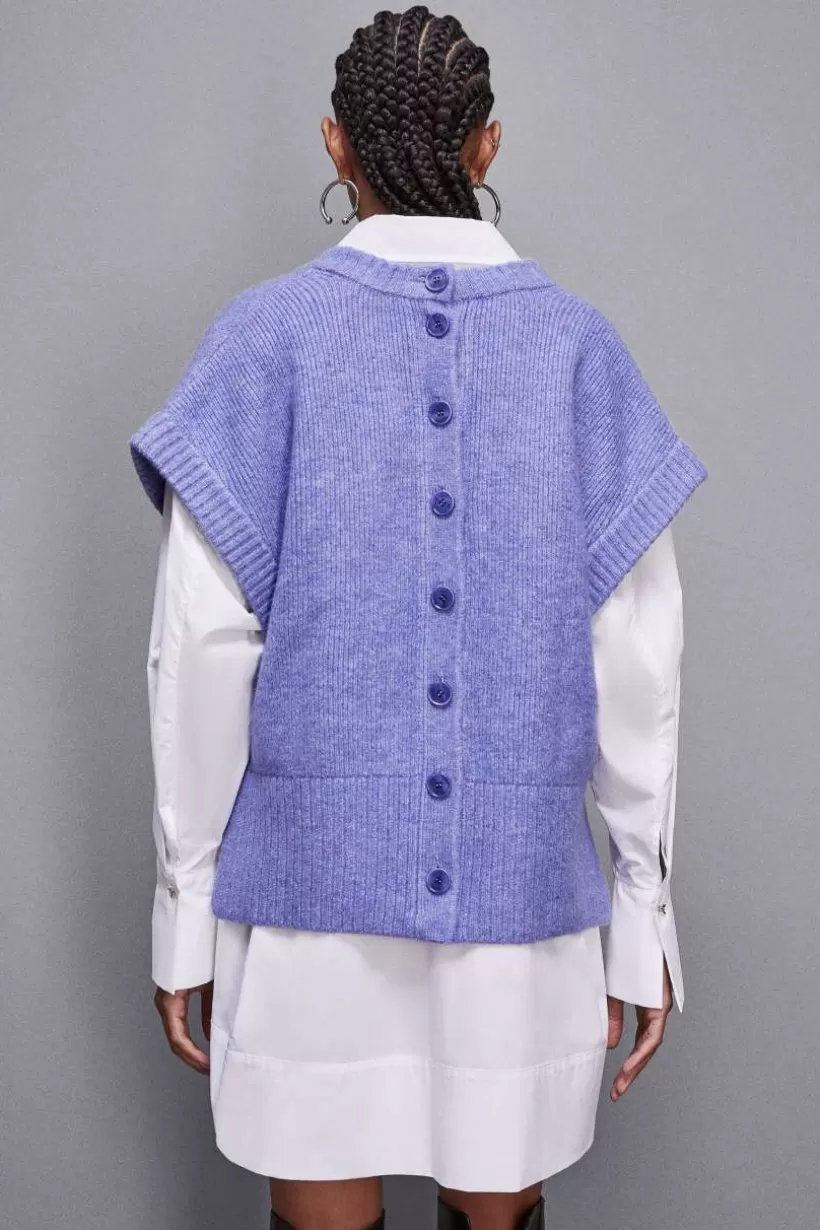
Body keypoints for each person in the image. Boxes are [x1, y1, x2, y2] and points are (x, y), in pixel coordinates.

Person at [128, 9, 708, 1230]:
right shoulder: (578, 349)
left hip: (307, 918)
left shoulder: (263, 339)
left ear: (334, 144)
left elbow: (200, 653)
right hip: (521, 917)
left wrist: (185, 906)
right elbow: (637, 663)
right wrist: (642, 914)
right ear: (487, 146)